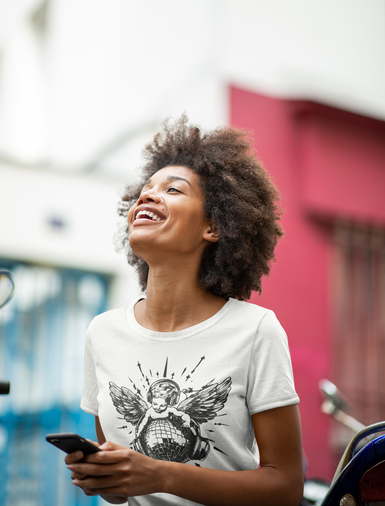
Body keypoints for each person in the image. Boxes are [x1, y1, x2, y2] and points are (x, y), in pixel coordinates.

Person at [65, 116, 304, 506]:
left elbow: (286, 488)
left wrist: (160, 474)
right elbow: (119, 494)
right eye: (144, 191)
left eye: (173, 189)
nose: (147, 196)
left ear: (214, 226)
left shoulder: (256, 330)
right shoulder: (102, 332)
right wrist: (103, 476)